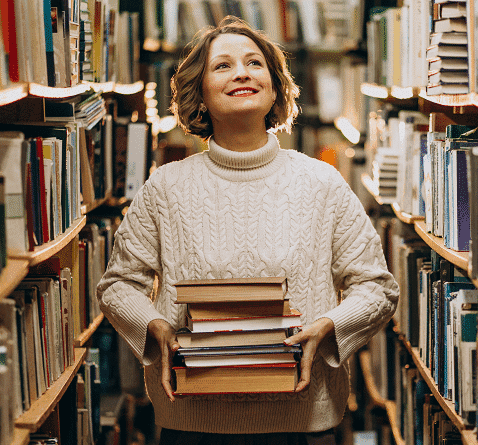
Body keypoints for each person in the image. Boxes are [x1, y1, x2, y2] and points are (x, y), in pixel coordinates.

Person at [96, 16, 399, 444]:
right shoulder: (166, 187)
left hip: (300, 419)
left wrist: (331, 325)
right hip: (192, 421)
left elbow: (377, 287)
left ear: (275, 87)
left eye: (254, 63)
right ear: (199, 94)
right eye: (222, 66)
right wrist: (155, 326)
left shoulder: (323, 183)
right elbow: (118, 285)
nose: (241, 72)